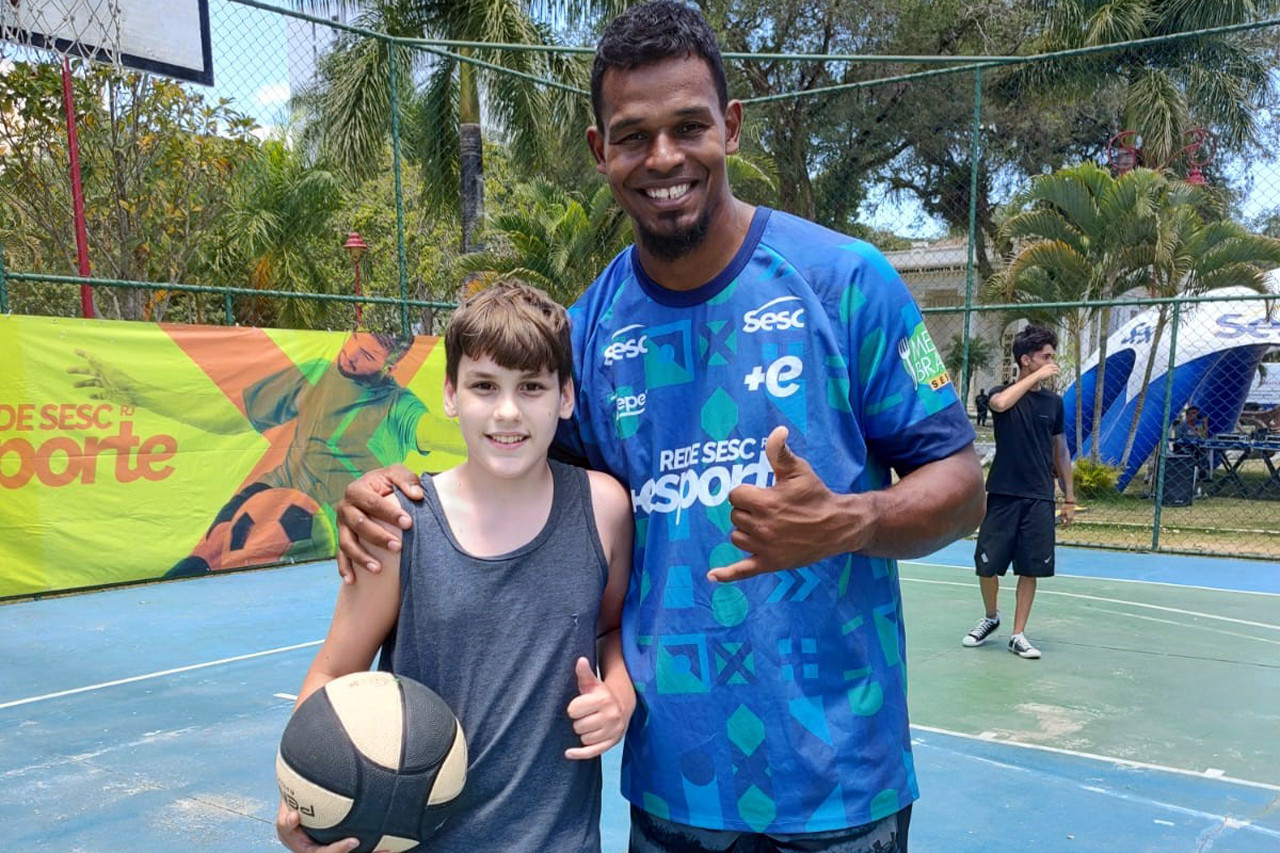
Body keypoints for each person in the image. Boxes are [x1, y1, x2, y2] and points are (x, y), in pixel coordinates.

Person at [333, 3, 985, 850]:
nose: (664, 158)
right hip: (676, 786)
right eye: (634, 135)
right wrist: (390, 496)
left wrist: (848, 521)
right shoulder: (590, 334)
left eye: (689, 126)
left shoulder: (846, 282)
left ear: (732, 127)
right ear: (601, 151)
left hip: (841, 782)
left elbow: (962, 483)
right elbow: (515, 485)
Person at [276, 282, 636, 853]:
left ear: (566, 397)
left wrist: (619, 692)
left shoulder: (605, 510)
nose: (508, 411)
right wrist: (301, 793)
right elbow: (332, 671)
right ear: (449, 394)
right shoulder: (398, 523)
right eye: (484, 386)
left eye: (533, 387)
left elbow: (611, 628)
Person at [67, 331, 464, 577]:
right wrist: (135, 391)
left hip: (324, 518)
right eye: (353, 344)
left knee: (262, 526)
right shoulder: (313, 375)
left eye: (367, 357)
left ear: (390, 365)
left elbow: (432, 431)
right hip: (271, 492)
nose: (352, 356)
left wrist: (491, 428)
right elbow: (223, 415)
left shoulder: (397, 404)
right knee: (209, 548)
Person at [964, 325, 1074, 660]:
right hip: (1002, 492)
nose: (1051, 362)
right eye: (1045, 357)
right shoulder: (1003, 393)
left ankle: (1018, 633)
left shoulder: (1053, 403)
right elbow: (999, 404)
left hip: (1039, 495)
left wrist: (1068, 497)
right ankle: (991, 617)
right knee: (987, 565)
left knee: (1030, 567)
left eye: (1052, 357)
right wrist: (1033, 377)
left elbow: (1061, 451)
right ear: (1026, 360)